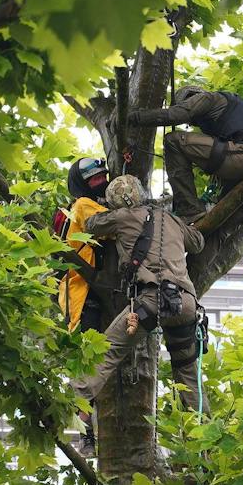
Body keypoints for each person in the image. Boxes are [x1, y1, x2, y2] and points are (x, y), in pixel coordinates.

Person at [75, 174, 205, 411]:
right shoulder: (171, 220)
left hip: (150, 302)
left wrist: (103, 209)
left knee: (107, 351)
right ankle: (206, 434)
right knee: (186, 368)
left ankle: (68, 403)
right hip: (186, 304)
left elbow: (91, 225)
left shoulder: (122, 216)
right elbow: (197, 242)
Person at [130, 85, 243, 220]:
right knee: (220, 222)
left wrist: (132, 118)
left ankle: (189, 208)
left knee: (173, 141)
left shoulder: (208, 98)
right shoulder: (230, 111)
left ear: (191, 97)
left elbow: (174, 115)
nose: (191, 124)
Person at [53, 156, 110, 333]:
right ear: (82, 184)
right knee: (95, 355)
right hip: (84, 296)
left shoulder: (89, 205)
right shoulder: (83, 204)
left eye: (103, 177)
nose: (102, 182)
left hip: (92, 293)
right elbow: (113, 226)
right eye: (95, 179)